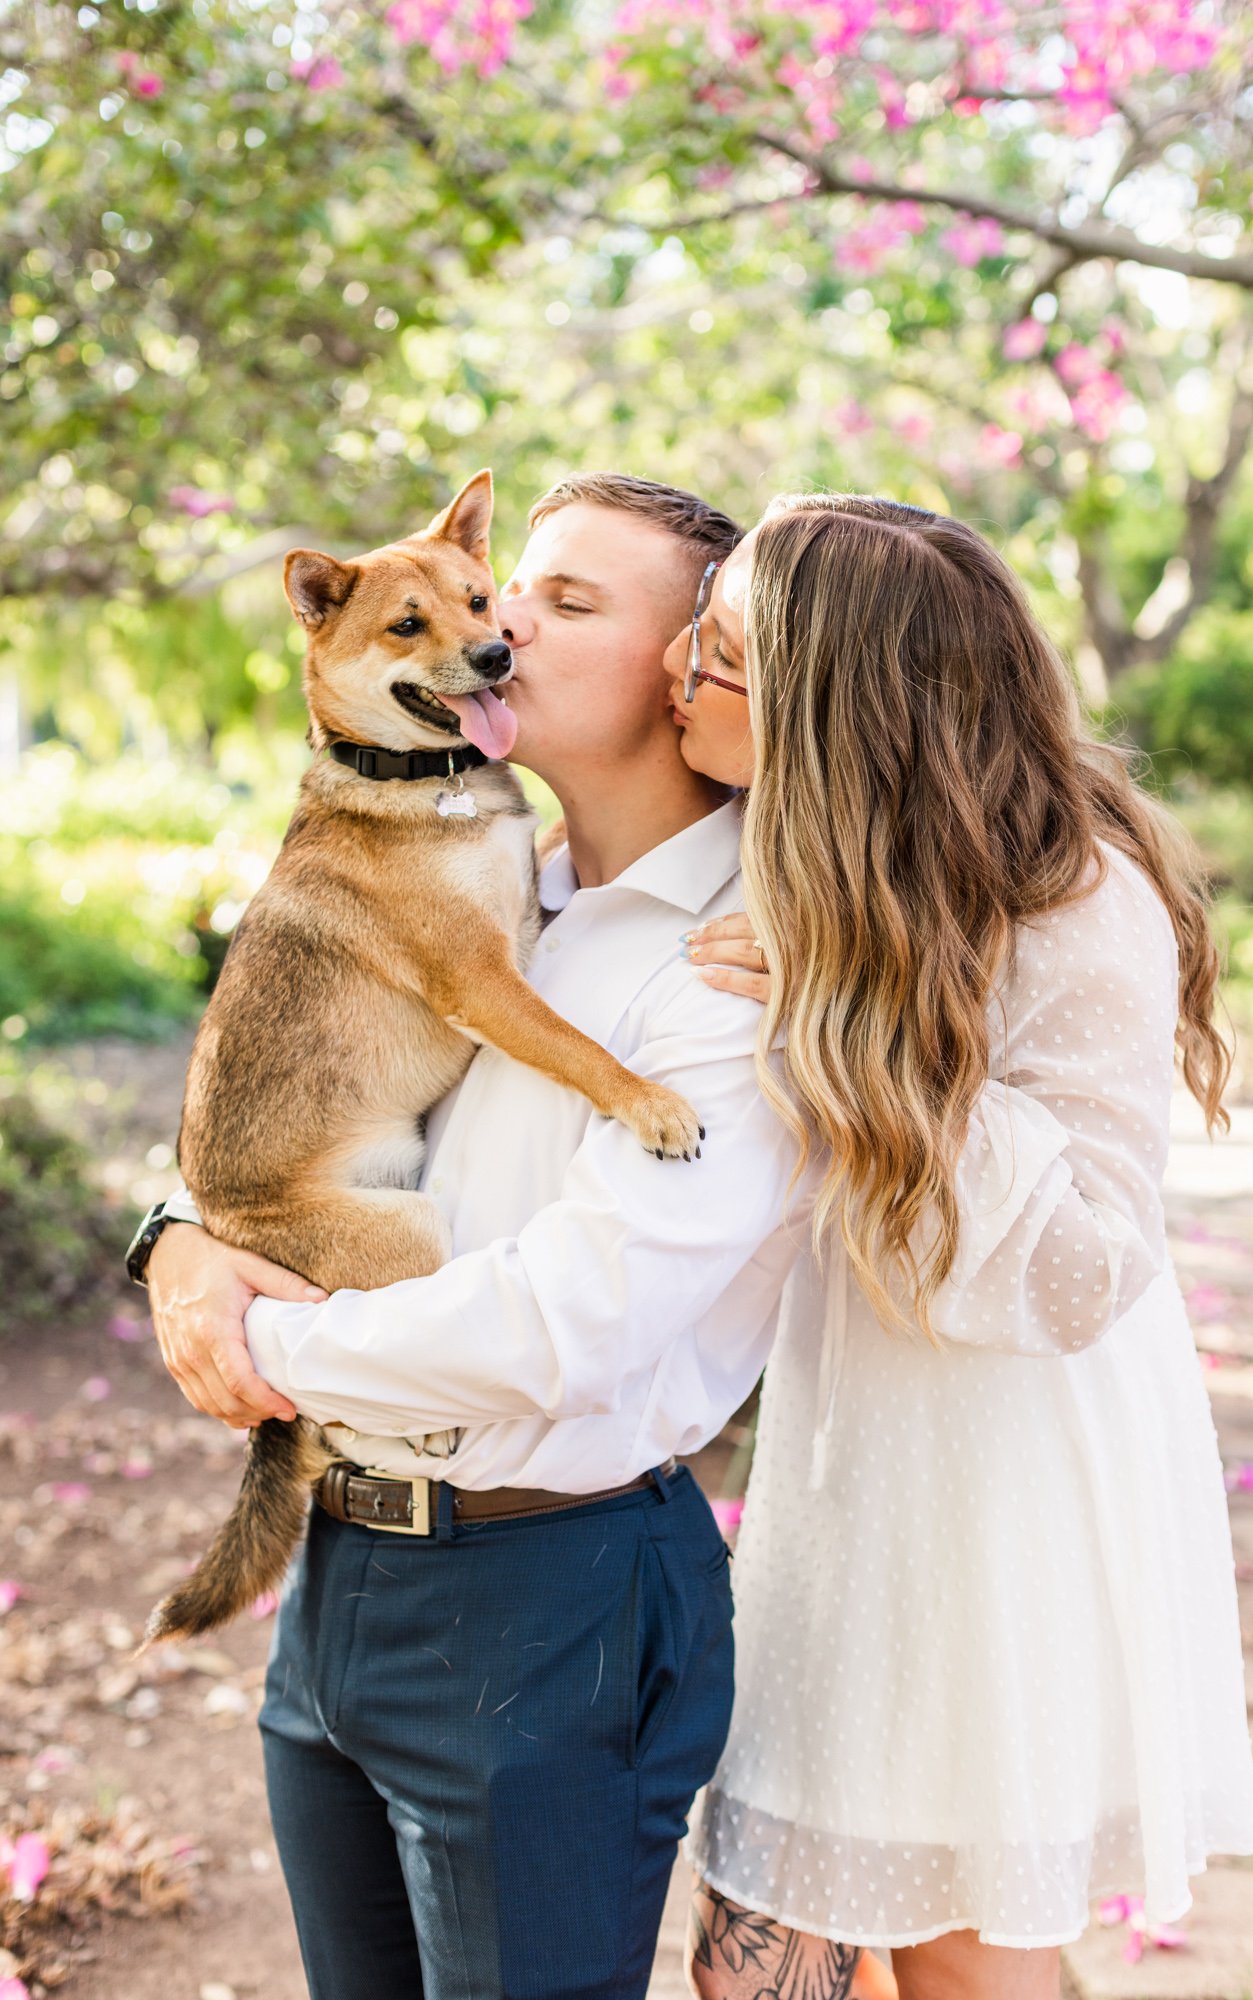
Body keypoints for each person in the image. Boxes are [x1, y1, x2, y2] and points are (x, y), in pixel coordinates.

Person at [134, 474, 872, 2000]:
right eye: (508, 586)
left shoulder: (743, 964)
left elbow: (563, 1328)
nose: (503, 621)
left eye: (565, 604)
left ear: (693, 669)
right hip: (343, 1579)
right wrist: (176, 1240)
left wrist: (257, 1341)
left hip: (544, 1602)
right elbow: (288, 1090)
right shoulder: (485, 876)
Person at [667, 494, 1253, 2000]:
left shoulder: (1072, 894)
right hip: (857, 1445)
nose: (680, 665)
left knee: (948, 1943)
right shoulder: (801, 847)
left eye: (725, 650)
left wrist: (840, 1017)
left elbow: (1081, 1270)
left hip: (997, 1470)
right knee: (782, 1938)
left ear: (830, 705)